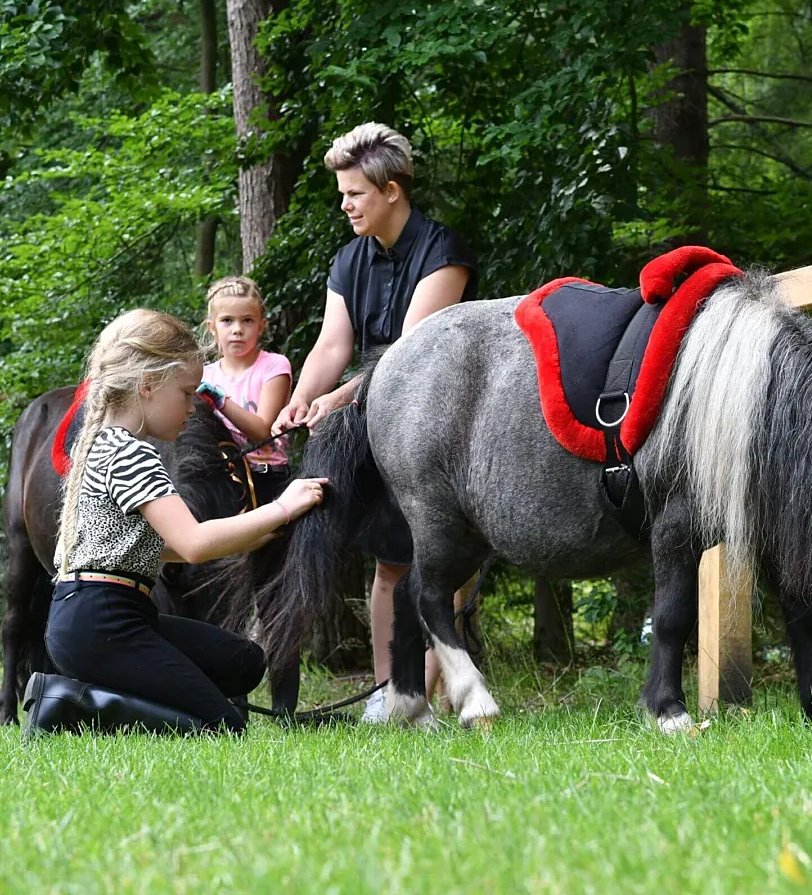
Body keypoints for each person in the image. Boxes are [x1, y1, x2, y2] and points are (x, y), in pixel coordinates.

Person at [23, 309, 327, 739]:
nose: (191, 406)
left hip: (103, 615)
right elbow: (193, 544)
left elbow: (146, 545)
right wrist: (283, 507)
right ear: (147, 387)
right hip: (101, 622)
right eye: (186, 393)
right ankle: (70, 704)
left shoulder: (103, 444)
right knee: (224, 725)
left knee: (244, 661)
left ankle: (120, 691)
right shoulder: (132, 454)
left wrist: (253, 531)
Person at [272, 121, 477, 723]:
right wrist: (299, 401)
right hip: (374, 420)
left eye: (354, 193)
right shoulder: (348, 259)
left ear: (391, 190)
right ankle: (391, 697)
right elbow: (331, 347)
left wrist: (334, 401)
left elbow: (408, 354)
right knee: (390, 562)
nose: (345, 205)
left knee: (436, 564)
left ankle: (426, 698)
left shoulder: (444, 252)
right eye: (342, 193)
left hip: (442, 423)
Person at [197, 276, 292, 506]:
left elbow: (262, 431)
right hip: (221, 480)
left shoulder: (274, 366)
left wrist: (221, 401)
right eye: (227, 320)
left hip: (267, 478)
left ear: (262, 325)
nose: (238, 330)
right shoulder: (204, 375)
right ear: (212, 327)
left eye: (247, 321)